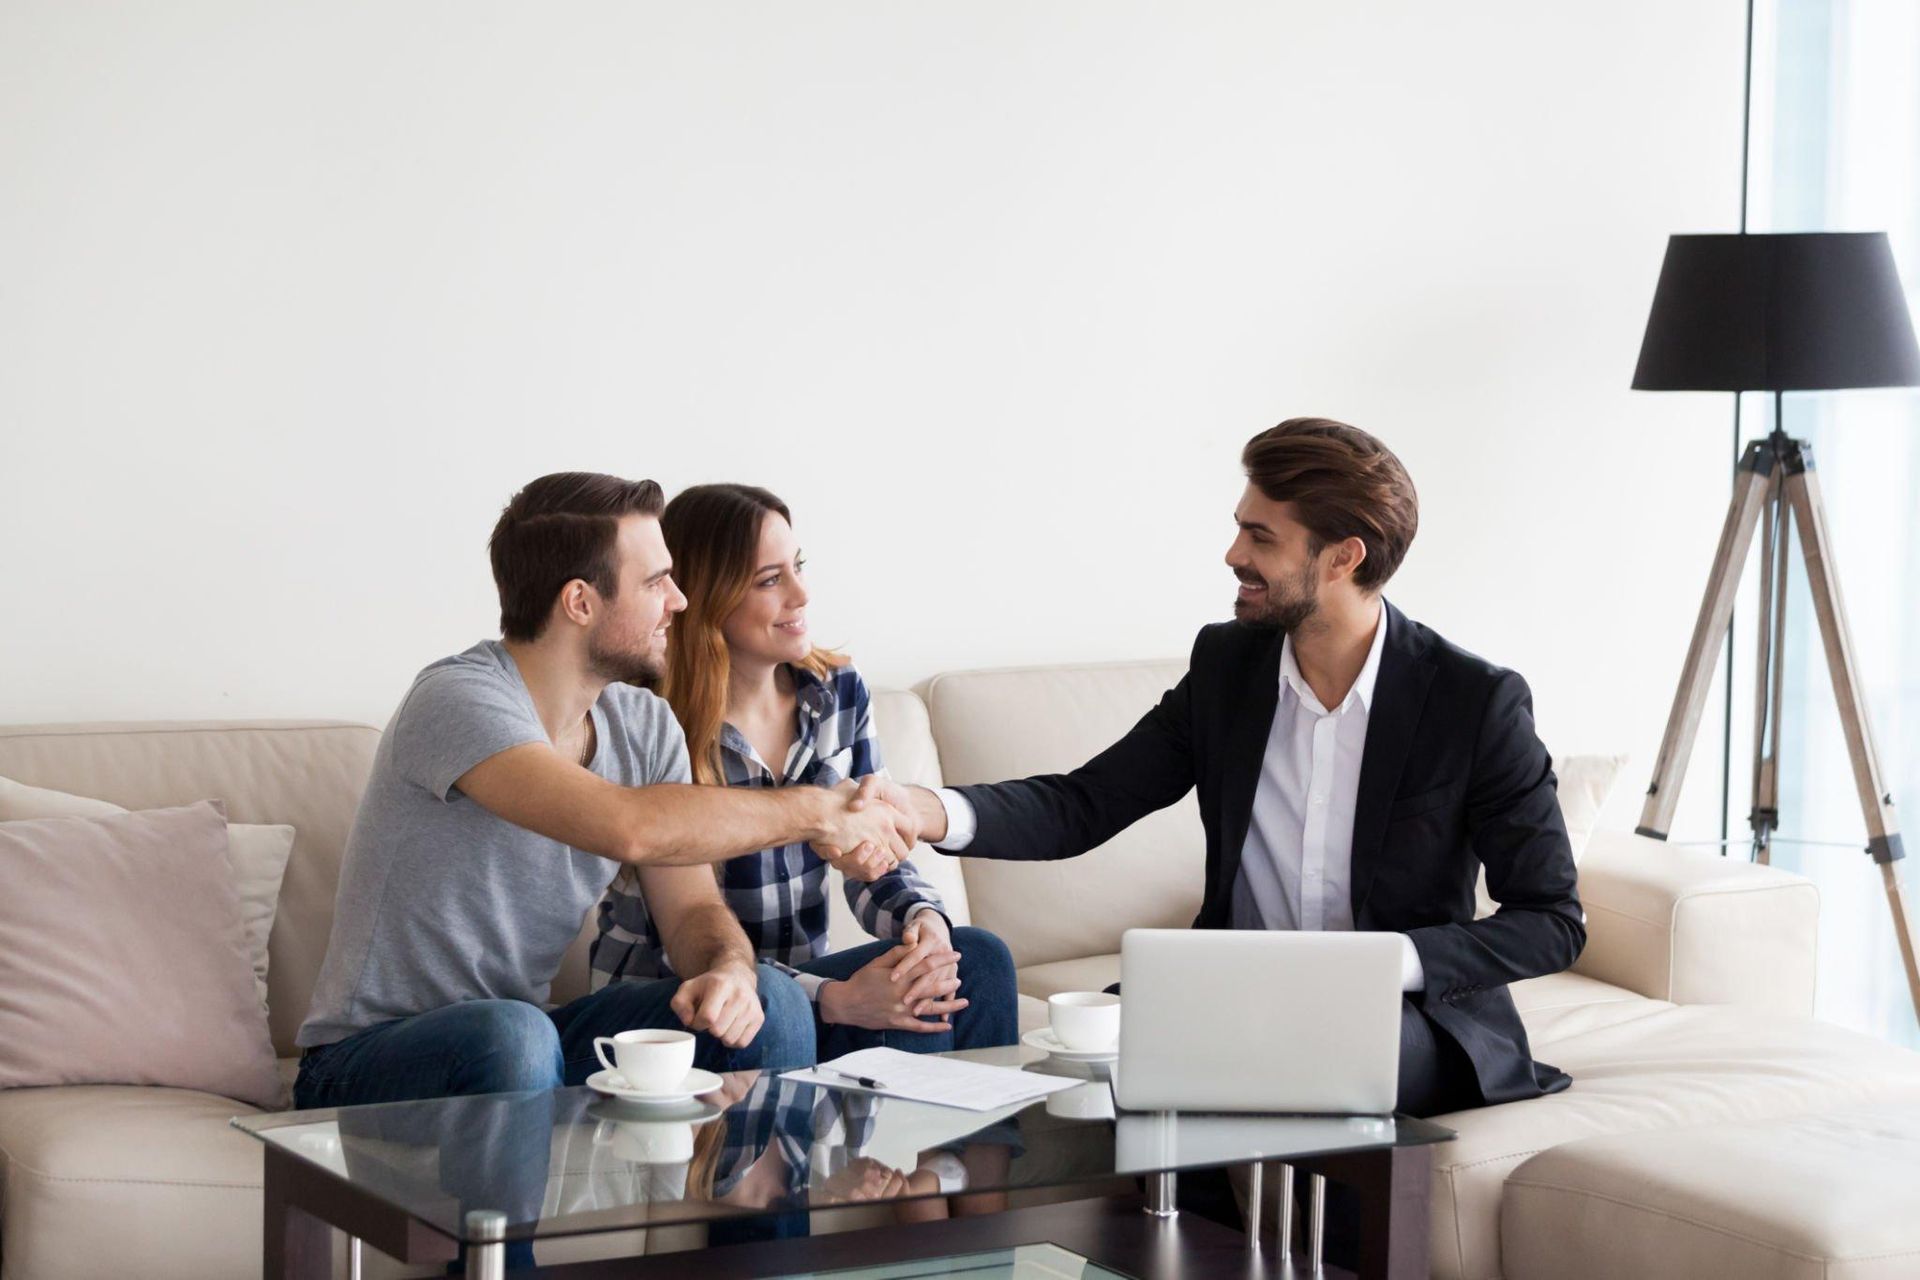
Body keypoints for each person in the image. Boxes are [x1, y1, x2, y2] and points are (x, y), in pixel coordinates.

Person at [871, 419, 1586, 1120]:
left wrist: (1381, 964)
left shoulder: (1472, 702)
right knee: (1091, 1058)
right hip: (1232, 997)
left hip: (1402, 1015)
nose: (1232, 553)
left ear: (1343, 558)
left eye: (1261, 537)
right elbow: (1085, 803)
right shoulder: (1228, 667)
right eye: (1240, 527)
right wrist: (922, 809)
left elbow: (1550, 920)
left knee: (1309, 1054)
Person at [295, 472, 919, 1118]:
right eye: (655, 583)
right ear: (580, 603)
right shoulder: (459, 700)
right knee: (513, 1034)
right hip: (366, 1059)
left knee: (771, 999)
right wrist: (820, 810)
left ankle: (766, 1220)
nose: (679, 602)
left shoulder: (643, 724)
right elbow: (628, 826)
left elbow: (690, 912)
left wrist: (728, 966)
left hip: (529, 1039)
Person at [592, 483, 1018, 1065]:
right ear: (707, 597)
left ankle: (954, 1161)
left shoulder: (837, 693)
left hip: (798, 985)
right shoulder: (648, 720)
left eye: (798, 567)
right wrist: (834, 998)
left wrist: (922, 926)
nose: (802, 593)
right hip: (684, 1000)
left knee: (976, 962)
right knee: (810, 1002)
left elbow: (877, 859)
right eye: (770, 580)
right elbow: (685, 933)